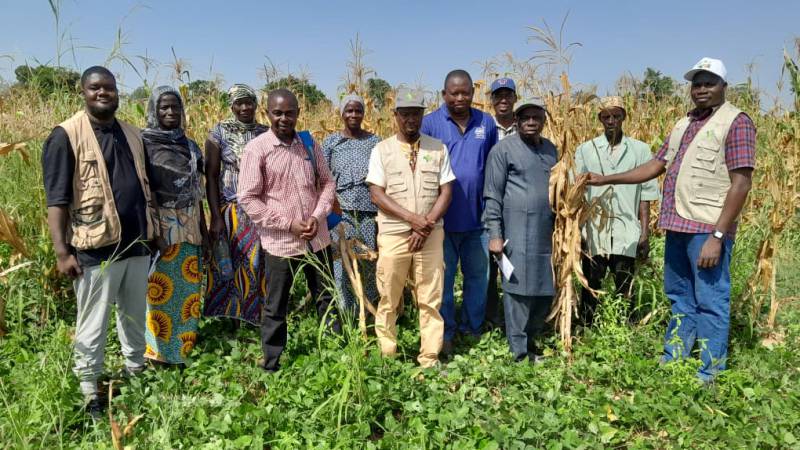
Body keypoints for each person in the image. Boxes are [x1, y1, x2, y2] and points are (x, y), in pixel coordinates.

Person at [585, 58, 756, 382]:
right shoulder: (685, 123)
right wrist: (606, 179)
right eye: (697, 83)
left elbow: (741, 183)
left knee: (710, 301)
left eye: (709, 82)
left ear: (723, 87)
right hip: (677, 227)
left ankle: (710, 373)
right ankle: (673, 358)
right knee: (680, 297)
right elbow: (655, 166)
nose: (702, 89)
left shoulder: (736, 122)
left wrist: (717, 237)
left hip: (705, 230)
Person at [41, 66, 159, 418]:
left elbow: (145, 185)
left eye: (109, 87)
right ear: (84, 92)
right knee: (92, 323)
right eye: (95, 88)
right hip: (95, 249)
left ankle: (135, 372)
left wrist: (155, 232)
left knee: (134, 316)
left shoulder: (132, 133)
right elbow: (57, 199)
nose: (103, 93)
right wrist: (62, 252)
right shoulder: (66, 135)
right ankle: (90, 390)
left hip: (137, 244)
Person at [238, 88, 341, 372]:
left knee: (326, 297)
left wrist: (318, 216)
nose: (284, 118)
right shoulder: (257, 149)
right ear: (267, 113)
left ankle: (332, 354)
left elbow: (328, 184)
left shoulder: (308, 144)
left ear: (298, 113)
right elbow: (247, 197)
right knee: (276, 305)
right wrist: (289, 224)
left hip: (316, 240)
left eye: (290, 112)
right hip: (281, 244)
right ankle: (272, 362)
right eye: (277, 112)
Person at [366, 88, 455, 367]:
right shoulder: (382, 150)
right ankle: (387, 354)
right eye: (405, 114)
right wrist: (413, 220)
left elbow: (447, 190)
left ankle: (429, 357)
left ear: (422, 115)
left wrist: (424, 226)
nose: (411, 120)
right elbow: (376, 194)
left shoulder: (437, 148)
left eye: (416, 114)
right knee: (389, 296)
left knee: (430, 297)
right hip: (394, 233)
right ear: (395, 116)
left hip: (430, 234)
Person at [421, 70, 498, 356]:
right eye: (454, 93)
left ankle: (472, 328)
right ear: (444, 95)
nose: (460, 98)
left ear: (473, 94)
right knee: (444, 278)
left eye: (465, 92)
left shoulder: (486, 123)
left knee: (478, 277)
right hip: (441, 221)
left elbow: (493, 167)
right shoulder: (429, 124)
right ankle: (447, 331)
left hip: (478, 220)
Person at [483, 98, 557, 363]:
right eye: (525, 118)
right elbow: (492, 195)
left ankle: (533, 341)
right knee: (517, 291)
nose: (530, 122)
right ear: (516, 121)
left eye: (536, 117)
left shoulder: (551, 150)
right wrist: (494, 234)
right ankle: (519, 351)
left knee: (543, 288)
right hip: (515, 233)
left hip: (545, 234)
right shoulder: (502, 151)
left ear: (544, 121)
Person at [574, 96, 659, 325]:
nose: (611, 121)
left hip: (626, 229)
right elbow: (577, 193)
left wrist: (644, 233)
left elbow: (646, 194)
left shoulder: (640, 150)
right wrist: (576, 231)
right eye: (606, 117)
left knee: (625, 284)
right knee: (591, 284)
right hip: (593, 230)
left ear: (624, 118)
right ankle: (587, 328)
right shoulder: (586, 150)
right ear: (600, 119)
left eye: (616, 116)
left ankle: (627, 329)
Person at [141, 86, 207, 365]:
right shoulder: (143, 144)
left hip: (190, 223)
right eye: (164, 107)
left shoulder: (189, 145)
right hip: (162, 225)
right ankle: (157, 351)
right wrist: (154, 230)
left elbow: (197, 190)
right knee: (159, 288)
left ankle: (183, 348)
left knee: (188, 287)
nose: (170, 112)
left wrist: (203, 227)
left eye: (175, 107)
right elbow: (145, 190)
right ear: (154, 111)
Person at [204, 84, 269, 326]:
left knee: (255, 264)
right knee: (227, 264)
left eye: (249, 102)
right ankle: (228, 317)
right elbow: (210, 175)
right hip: (229, 210)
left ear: (255, 104)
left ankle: (254, 315)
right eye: (239, 103)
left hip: (258, 210)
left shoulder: (265, 133)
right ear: (232, 106)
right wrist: (215, 216)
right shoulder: (219, 132)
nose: (244, 107)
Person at [322, 94, 381, 317]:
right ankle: (346, 312)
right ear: (342, 113)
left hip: (369, 214)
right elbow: (324, 179)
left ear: (364, 114)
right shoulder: (331, 143)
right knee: (342, 264)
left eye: (358, 111)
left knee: (368, 262)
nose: (354, 115)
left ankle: (369, 310)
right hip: (340, 214)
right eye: (349, 110)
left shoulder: (375, 142)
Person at [485, 77, 518, 331]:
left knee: (515, 262)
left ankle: (513, 315)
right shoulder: (484, 127)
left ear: (515, 98)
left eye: (508, 95)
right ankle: (490, 315)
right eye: (499, 96)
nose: (503, 100)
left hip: (517, 206)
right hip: (489, 204)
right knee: (488, 266)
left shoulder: (528, 125)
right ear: (492, 100)